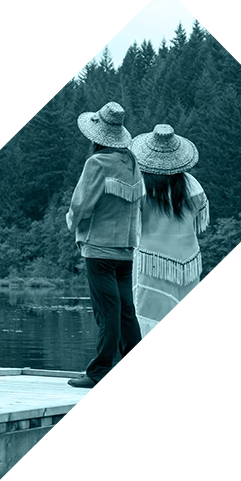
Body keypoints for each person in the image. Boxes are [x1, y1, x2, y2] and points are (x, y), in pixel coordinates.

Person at [65, 101, 144, 389]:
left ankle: (99, 373)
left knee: (107, 312)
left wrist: (72, 225)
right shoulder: (132, 162)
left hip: (99, 248)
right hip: (126, 250)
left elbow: (81, 204)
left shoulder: (97, 163)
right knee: (125, 312)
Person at [130, 124, 209, 340]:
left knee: (147, 315)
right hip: (189, 261)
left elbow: (133, 223)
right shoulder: (192, 185)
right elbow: (199, 219)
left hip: (151, 261)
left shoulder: (142, 186)